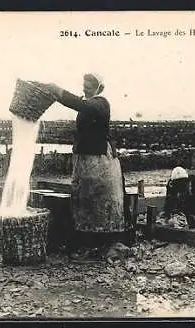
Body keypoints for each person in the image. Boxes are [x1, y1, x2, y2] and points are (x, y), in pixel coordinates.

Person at [47, 73, 125, 260]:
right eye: (84, 85)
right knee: (84, 199)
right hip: (85, 160)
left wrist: (59, 93)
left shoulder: (101, 103)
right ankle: (87, 244)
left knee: (101, 199)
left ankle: (106, 243)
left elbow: (81, 105)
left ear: (98, 87)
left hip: (99, 162)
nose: (85, 89)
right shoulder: (88, 104)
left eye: (89, 86)